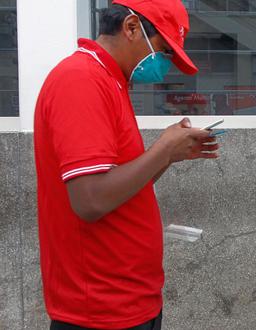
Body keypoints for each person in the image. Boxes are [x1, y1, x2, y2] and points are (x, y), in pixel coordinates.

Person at [34, 1, 220, 329]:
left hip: (129, 302)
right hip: (101, 311)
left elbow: (120, 186)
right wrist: (161, 149)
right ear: (131, 28)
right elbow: (90, 200)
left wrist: (168, 155)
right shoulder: (81, 80)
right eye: (164, 51)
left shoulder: (109, 80)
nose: (165, 66)